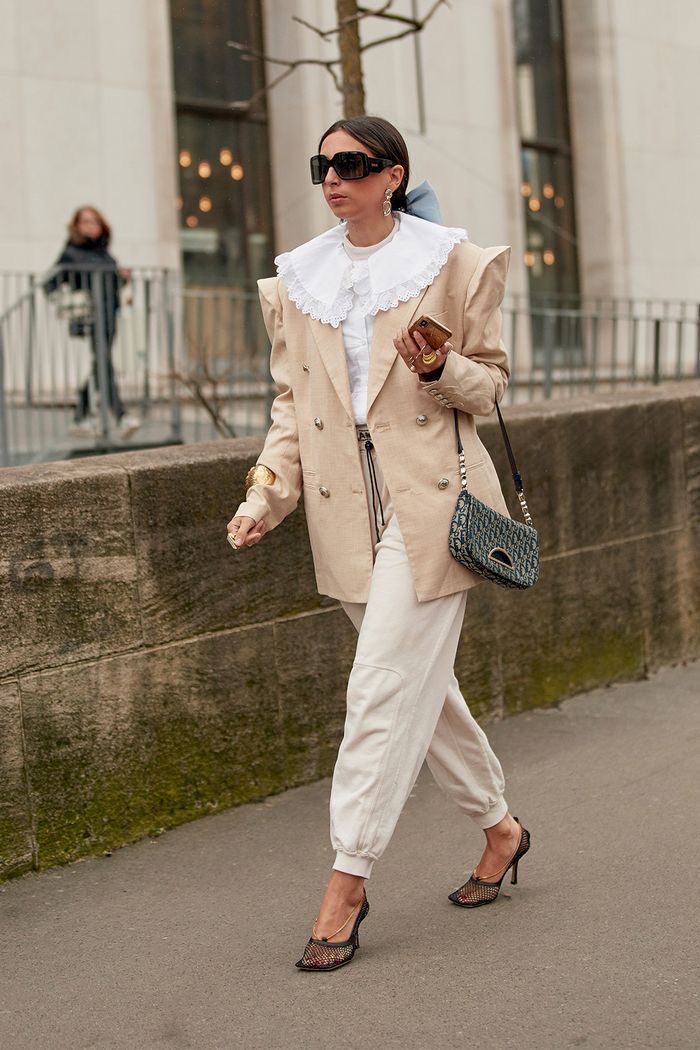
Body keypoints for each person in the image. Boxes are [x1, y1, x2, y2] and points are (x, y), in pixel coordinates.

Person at [227, 116, 531, 971]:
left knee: (378, 690)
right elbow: (293, 408)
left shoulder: (454, 263)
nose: (333, 178)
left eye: (352, 165)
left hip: (432, 505)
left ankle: (346, 883)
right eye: (322, 163)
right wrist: (265, 492)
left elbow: (494, 382)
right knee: (420, 691)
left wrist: (439, 368)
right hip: (342, 514)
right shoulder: (300, 280)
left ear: (392, 175)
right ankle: (501, 829)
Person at [46, 205, 139, 438]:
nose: (91, 226)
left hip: (110, 314)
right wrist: (69, 297)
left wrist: (122, 277)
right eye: (86, 221)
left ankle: (80, 416)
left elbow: (112, 285)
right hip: (91, 316)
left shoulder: (105, 253)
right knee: (103, 362)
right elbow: (51, 284)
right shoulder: (71, 253)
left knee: (100, 363)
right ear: (77, 225)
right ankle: (120, 415)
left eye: (95, 221)